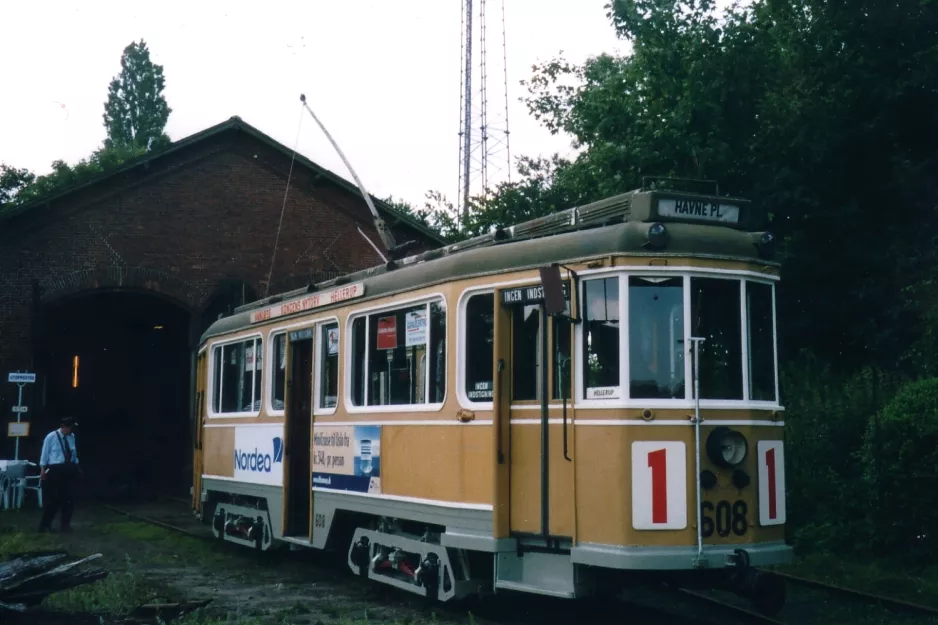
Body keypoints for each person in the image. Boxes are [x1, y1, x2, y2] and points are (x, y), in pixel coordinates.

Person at [37, 417, 81, 533]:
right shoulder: (51, 437)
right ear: (64, 427)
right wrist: (43, 469)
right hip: (56, 469)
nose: (71, 430)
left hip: (69, 468)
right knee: (54, 499)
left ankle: (65, 525)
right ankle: (45, 525)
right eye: (70, 427)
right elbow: (44, 453)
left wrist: (76, 465)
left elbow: (73, 452)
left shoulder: (72, 437)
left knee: (69, 499)